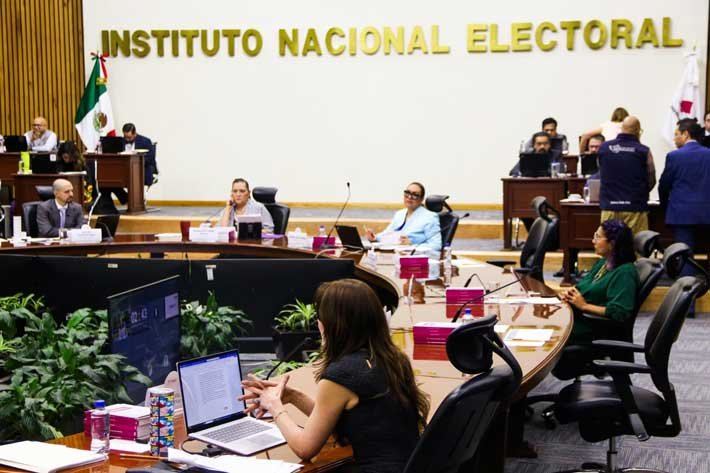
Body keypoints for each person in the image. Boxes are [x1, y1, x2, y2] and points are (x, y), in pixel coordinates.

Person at [240, 279, 429, 472]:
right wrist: (295, 396)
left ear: (328, 326)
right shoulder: (394, 359)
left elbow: (304, 448)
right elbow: (338, 419)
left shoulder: (341, 375)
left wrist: (274, 406)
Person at [659, 118, 710, 316]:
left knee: (686, 259)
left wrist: (666, 206)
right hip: (707, 213)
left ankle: (686, 307)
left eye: (676, 134)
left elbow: (664, 185)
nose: (674, 138)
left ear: (686, 134)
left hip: (682, 214)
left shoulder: (674, 156)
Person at [560, 219, 638, 343]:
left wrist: (584, 306)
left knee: (550, 332)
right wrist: (571, 295)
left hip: (596, 329)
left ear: (612, 243)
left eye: (598, 237)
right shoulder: (603, 263)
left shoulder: (625, 272)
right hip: (579, 318)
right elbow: (584, 286)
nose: (593, 241)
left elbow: (619, 312)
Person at [598, 116, 656, 235]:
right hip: (635, 207)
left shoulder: (604, 148)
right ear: (637, 130)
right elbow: (651, 178)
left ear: (622, 128)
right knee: (637, 243)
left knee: (609, 243)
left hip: (609, 207)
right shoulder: (643, 151)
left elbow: (601, 171)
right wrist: (641, 192)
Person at [364, 182, 442, 252]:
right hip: (394, 254)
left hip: (414, 257)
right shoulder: (400, 214)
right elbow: (388, 233)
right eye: (407, 193)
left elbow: (436, 245)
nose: (409, 197)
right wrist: (375, 238)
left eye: (415, 195)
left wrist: (412, 245)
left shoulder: (430, 217)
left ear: (421, 199)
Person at [56, 141, 96, 207]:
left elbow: (88, 182)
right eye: (65, 157)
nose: (67, 160)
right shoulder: (60, 163)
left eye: (69, 157)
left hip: (80, 192)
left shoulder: (81, 164)